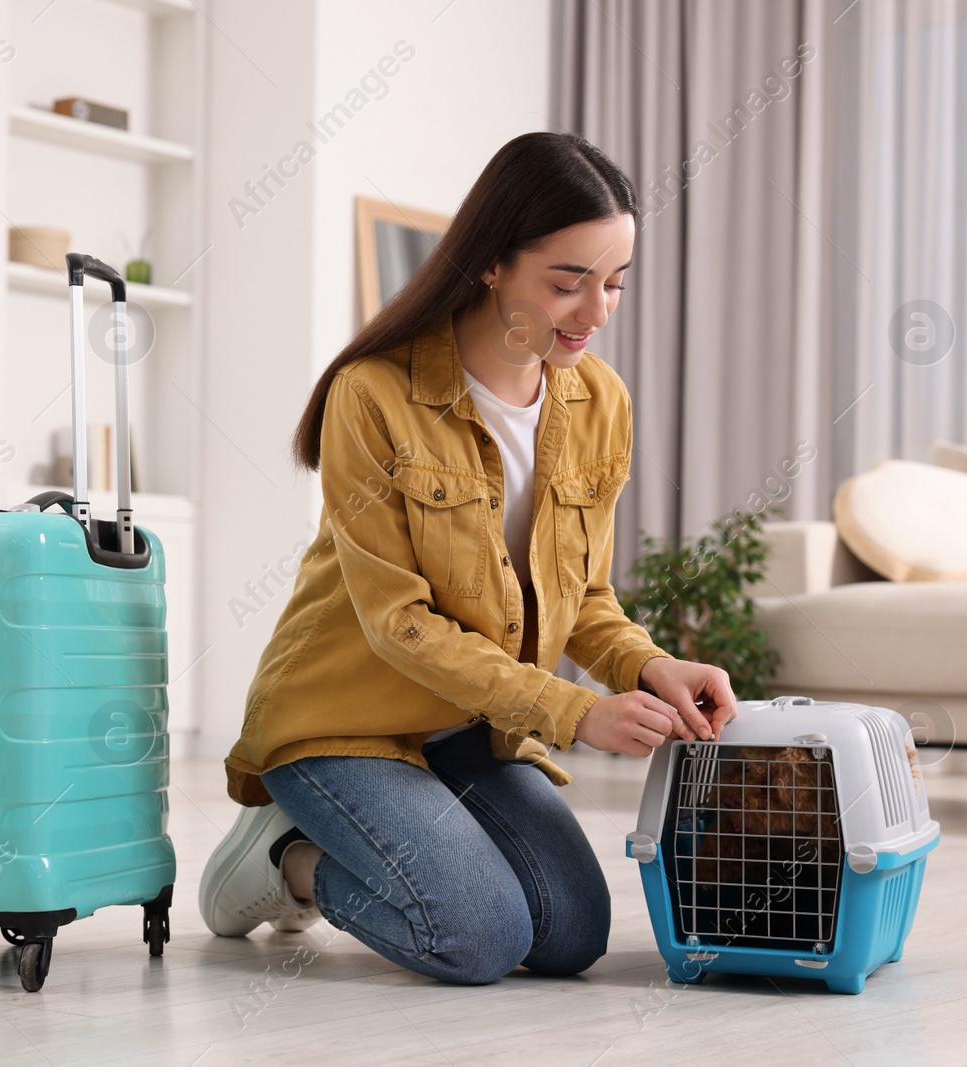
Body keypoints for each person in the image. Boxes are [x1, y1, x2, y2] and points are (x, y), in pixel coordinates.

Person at [198, 132, 738, 985]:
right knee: (479, 938)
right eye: (567, 283)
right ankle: (283, 858)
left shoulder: (599, 400)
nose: (594, 313)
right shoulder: (372, 394)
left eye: (614, 284)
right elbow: (399, 624)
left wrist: (648, 664)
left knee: (570, 937)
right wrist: (574, 710)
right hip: (343, 721)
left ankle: (393, 837)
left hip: (468, 724)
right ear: (491, 263)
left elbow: (583, 594)